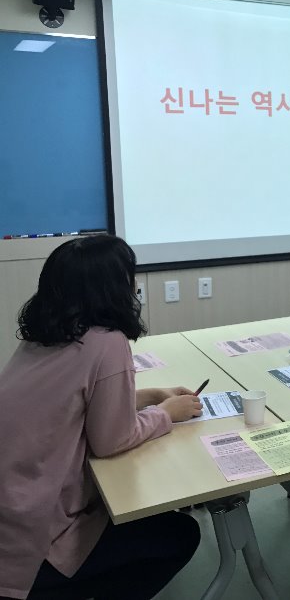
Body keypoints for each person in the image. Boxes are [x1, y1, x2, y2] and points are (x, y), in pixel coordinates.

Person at [0, 235, 203, 600]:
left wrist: (151, 396)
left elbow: (73, 406)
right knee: (180, 534)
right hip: (33, 543)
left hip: (12, 512)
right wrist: (165, 414)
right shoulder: (107, 341)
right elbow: (111, 441)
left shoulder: (43, 335)